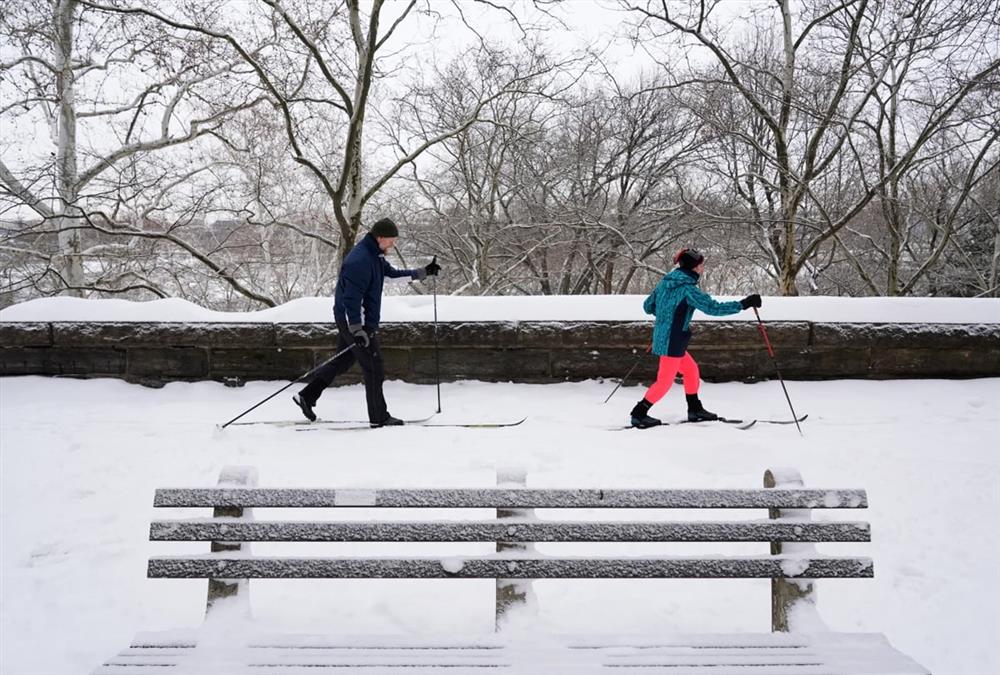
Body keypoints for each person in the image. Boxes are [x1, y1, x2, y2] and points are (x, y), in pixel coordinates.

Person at [293, 218, 441, 427]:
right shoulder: (360, 260)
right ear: (380, 237)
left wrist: (423, 272)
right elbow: (351, 299)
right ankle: (379, 417)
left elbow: (390, 275)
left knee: (342, 361)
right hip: (355, 321)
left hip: (352, 320)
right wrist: (357, 329)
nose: (393, 244)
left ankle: (307, 396)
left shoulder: (374, 255)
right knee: (373, 367)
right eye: (391, 240)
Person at [629, 248, 761, 428]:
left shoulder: (664, 283)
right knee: (664, 382)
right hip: (672, 342)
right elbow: (713, 308)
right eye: (701, 265)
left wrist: (666, 318)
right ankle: (639, 414)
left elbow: (648, 306)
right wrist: (744, 304)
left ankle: (695, 410)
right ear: (693, 267)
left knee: (691, 371)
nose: (702, 268)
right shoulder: (688, 289)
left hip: (668, 339)